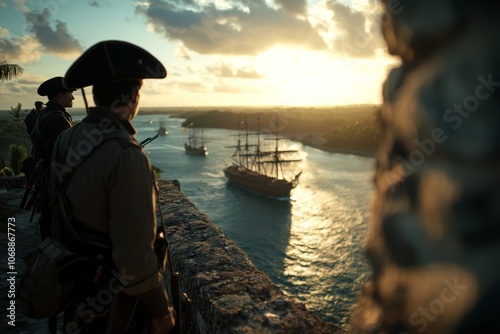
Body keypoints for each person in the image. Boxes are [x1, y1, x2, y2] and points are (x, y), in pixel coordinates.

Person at [49, 40, 174, 333]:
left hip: (73, 288)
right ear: (133, 95)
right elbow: (134, 256)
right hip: (111, 303)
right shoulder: (125, 154)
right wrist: (160, 311)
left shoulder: (66, 139)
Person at [30, 77, 75, 239]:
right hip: (56, 178)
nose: (73, 97)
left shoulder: (46, 114)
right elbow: (60, 155)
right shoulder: (57, 119)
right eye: (69, 93)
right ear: (58, 95)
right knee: (55, 221)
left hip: (48, 174)